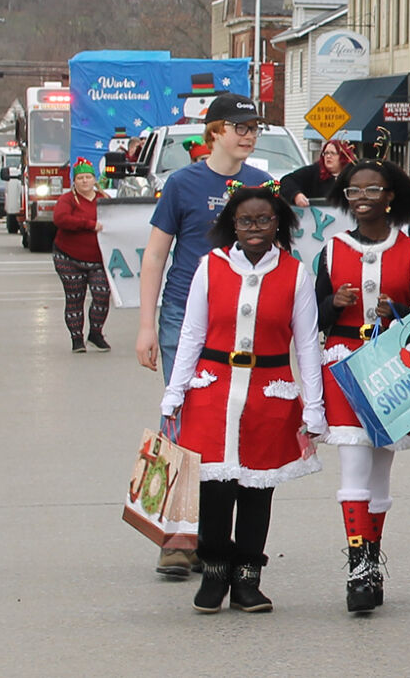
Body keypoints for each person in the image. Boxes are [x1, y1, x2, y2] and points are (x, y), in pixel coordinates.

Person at [158, 182, 324, 614]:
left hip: (269, 396)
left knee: (256, 494)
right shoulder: (210, 267)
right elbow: (191, 334)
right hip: (213, 391)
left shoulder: (295, 273)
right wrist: (174, 392)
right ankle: (215, 572)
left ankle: (248, 579)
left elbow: (307, 345)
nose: (254, 228)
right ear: (232, 224)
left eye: (264, 219)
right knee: (214, 492)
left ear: (278, 224)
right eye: (246, 220)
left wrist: (314, 405)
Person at [134, 92, 274, 579]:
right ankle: (175, 535)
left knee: (237, 421)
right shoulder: (182, 184)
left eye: (254, 126)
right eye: (240, 127)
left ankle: (217, 535)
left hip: (243, 317)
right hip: (182, 315)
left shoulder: (262, 184)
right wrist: (147, 324)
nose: (249, 134)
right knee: (183, 414)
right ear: (214, 131)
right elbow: (155, 255)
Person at [314, 158, 410, 613]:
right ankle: (358, 567)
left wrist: (398, 313)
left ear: (391, 196)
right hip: (344, 363)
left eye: (372, 191)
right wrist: (333, 302)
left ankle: (371, 564)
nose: (362, 199)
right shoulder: (329, 250)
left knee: (381, 470)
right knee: (353, 467)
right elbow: (312, 319)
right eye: (353, 192)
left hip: (391, 367)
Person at [51, 158, 111, 353]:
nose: (85, 181)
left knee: (102, 294)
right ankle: (76, 338)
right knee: (75, 297)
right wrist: (88, 224)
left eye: (88, 177)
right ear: (74, 182)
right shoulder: (67, 200)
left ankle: (96, 333)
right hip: (69, 257)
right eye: (80, 178)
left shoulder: (105, 199)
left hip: (98, 259)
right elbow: (61, 219)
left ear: (95, 179)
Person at [279, 139, 354, 208]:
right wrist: (296, 195)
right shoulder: (314, 171)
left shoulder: (352, 174)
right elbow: (287, 180)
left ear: (343, 157)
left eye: (333, 153)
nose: (328, 156)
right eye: (326, 153)